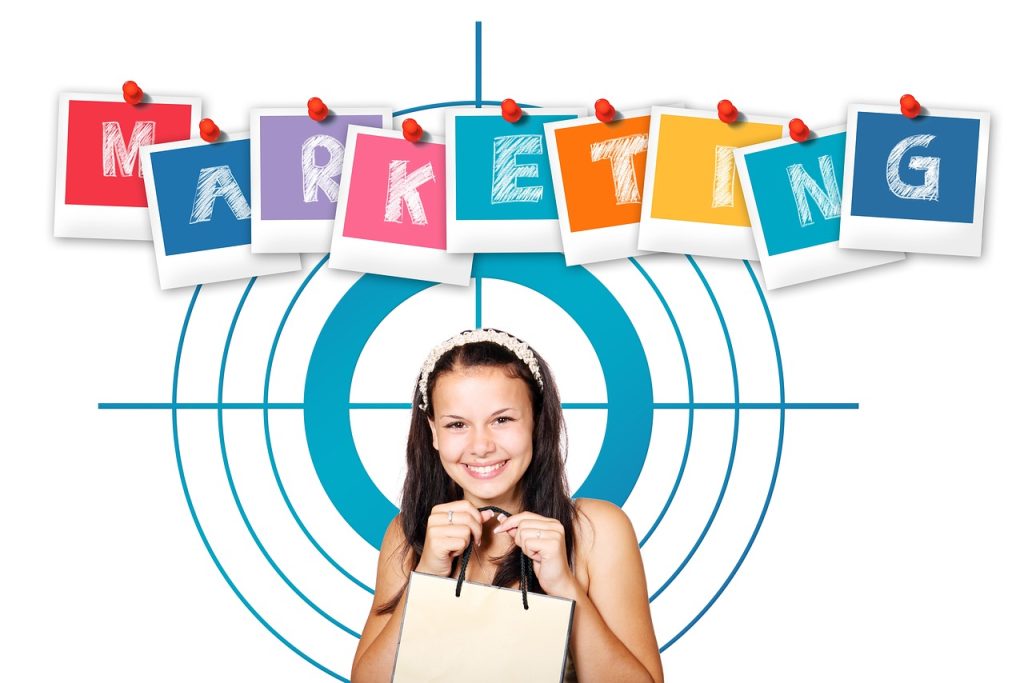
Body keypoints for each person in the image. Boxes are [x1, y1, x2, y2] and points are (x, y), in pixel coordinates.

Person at [350, 329, 663, 682]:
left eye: (502, 420)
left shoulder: (597, 529)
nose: (481, 445)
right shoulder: (409, 533)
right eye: (456, 425)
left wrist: (564, 587)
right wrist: (427, 578)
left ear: (536, 422)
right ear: (433, 432)